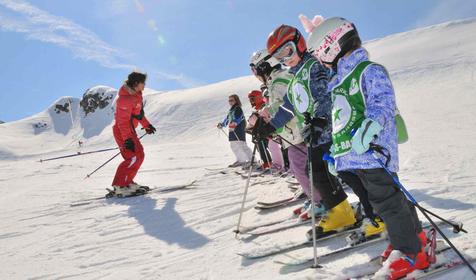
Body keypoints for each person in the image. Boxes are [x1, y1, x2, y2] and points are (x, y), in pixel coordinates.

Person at [307, 17, 428, 279]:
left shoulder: (368, 70)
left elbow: (382, 103)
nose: (319, 60)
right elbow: (341, 121)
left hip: (374, 153)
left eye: (319, 54)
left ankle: (412, 252)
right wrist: (335, 153)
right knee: (385, 201)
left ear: (332, 46)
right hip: (353, 158)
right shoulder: (339, 81)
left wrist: (369, 128)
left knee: (389, 202)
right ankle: (412, 238)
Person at [255, 25, 357, 233]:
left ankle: (376, 209)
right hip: (314, 133)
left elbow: (324, 95)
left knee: (348, 171)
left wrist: (320, 118)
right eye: (279, 57)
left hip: (330, 131)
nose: (286, 59)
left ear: (299, 44)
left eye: (288, 51)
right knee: (317, 173)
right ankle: (341, 212)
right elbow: (289, 107)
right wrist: (270, 126)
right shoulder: (296, 77)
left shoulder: (313, 67)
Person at [300, 14, 386, 238]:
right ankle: (374, 215)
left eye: (320, 52)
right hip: (342, 138)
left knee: (375, 184)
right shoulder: (333, 72)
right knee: (353, 178)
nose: (318, 59)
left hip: (358, 137)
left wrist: (321, 120)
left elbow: (330, 98)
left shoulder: (351, 71)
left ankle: (382, 218)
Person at [249, 48, 323, 220]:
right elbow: (278, 105)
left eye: (255, 69)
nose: (255, 74)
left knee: (301, 167)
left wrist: (270, 118)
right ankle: (315, 199)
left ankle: (321, 201)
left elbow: (289, 105)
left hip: (297, 131)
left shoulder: (280, 79)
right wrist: (265, 117)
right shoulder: (275, 81)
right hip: (291, 134)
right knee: (300, 168)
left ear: (265, 66)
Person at [112, 71, 156, 197]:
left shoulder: (137, 96)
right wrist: (127, 139)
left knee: (139, 156)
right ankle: (120, 185)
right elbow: (122, 121)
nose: (145, 85)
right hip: (122, 131)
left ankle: (127, 182)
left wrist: (147, 125)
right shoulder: (124, 99)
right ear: (136, 83)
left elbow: (138, 115)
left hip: (130, 130)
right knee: (133, 157)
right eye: (143, 83)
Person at [217, 94, 252, 167]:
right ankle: (243, 160)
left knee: (240, 144)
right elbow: (227, 119)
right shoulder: (231, 110)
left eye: (232, 100)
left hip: (238, 129)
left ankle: (249, 160)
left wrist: (234, 123)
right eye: (229, 100)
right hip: (233, 129)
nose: (230, 102)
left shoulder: (237, 108)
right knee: (236, 145)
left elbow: (238, 118)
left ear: (236, 100)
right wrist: (222, 124)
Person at [246, 90, 273, 172]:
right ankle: (266, 162)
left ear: (258, 98)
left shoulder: (263, 106)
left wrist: (253, 120)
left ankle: (269, 162)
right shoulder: (258, 108)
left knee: (265, 146)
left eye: (253, 99)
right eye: (250, 99)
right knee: (260, 146)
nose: (251, 101)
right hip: (260, 131)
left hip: (266, 130)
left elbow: (263, 118)